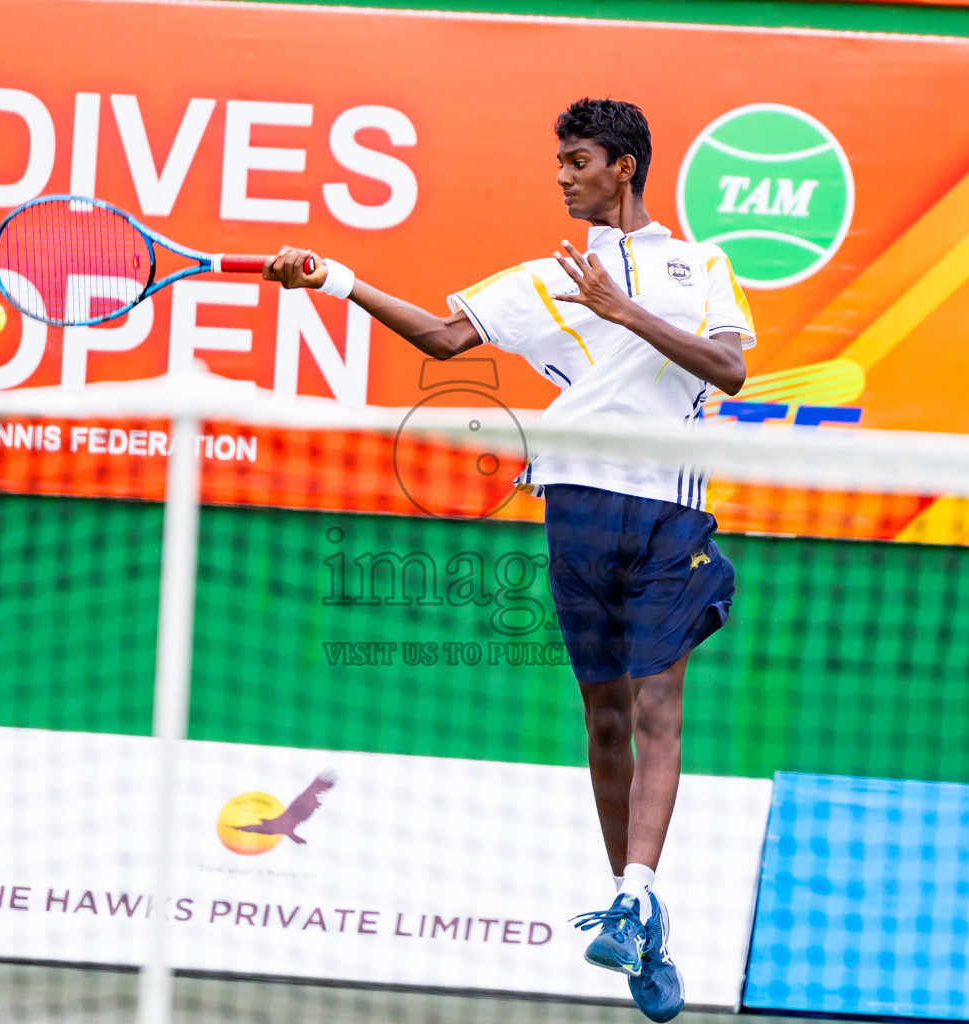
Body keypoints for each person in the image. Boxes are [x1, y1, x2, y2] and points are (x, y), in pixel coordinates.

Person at [263, 97, 754, 1023]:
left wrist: (622, 307)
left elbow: (727, 371)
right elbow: (445, 337)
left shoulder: (701, 266)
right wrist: (334, 280)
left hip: (668, 510)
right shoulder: (540, 278)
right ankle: (634, 899)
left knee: (657, 704)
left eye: (578, 161)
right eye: (559, 162)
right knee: (606, 719)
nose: (562, 175)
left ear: (627, 165)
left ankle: (638, 895)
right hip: (574, 502)